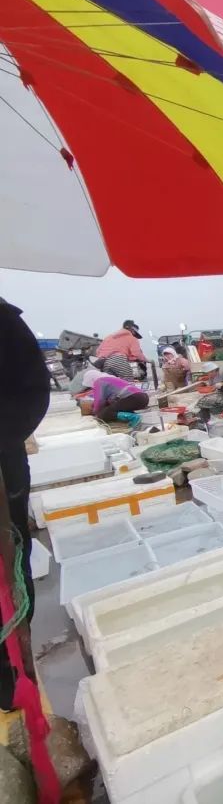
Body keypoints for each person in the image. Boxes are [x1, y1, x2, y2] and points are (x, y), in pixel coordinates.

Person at [0, 297, 50, 711]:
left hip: (3, 468)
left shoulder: (5, 322)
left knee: (11, 561)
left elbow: (33, 392)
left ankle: (13, 672)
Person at [84, 371, 149, 422]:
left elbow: (99, 401)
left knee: (103, 414)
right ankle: (130, 416)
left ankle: (133, 417)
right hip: (143, 397)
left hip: (134, 398)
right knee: (113, 408)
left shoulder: (99, 381)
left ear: (91, 379)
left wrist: (95, 413)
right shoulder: (109, 378)